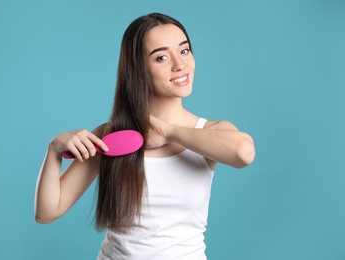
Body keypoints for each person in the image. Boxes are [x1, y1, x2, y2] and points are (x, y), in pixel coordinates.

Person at [34, 12, 255, 259]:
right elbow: (47, 212)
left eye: (184, 51)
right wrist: (54, 149)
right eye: (161, 57)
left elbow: (243, 153)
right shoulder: (110, 137)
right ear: (138, 69)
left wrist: (168, 132)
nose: (180, 65)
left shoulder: (209, 132)